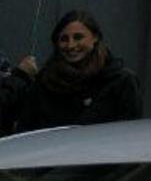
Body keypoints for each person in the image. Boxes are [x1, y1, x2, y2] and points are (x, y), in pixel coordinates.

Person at [1, 9, 142, 136]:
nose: (71, 45)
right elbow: (26, 132)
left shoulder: (122, 81)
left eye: (78, 37)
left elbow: (130, 137)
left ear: (95, 38)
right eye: (64, 39)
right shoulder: (44, 82)